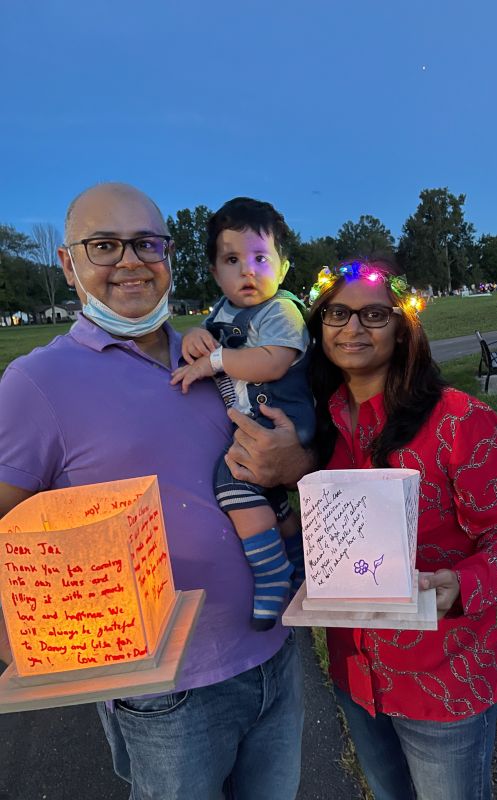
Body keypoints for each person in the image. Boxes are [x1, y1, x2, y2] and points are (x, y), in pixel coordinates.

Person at [0, 183, 309, 800]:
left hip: (277, 652)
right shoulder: (36, 383)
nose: (130, 261)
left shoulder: (215, 351)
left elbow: (287, 456)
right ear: (68, 263)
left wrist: (295, 463)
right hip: (165, 693)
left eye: (146, 242)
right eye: (104, 246)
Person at [301, 259, 497, 800]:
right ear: (320, 325)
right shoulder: (319, 425)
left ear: (404, 326)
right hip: (356, 674)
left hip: (445, 679)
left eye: (375, 314)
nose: (353, 328)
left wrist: (461, 583)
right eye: (338, 312)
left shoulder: (460, 421)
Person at [170, 197, 314, 630]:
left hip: (283, 418)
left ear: (283, 268)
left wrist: (213, 363)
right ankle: (295, 560)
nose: (247, 271)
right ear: (216, 272)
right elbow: (213, 334)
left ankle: (269, 574)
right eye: (232, 259)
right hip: (258, 420)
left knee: (230, 478)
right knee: (266, 495)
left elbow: (272, 362)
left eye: (260, 258)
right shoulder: (225, 310)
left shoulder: (281, 310)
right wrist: (196, 335)